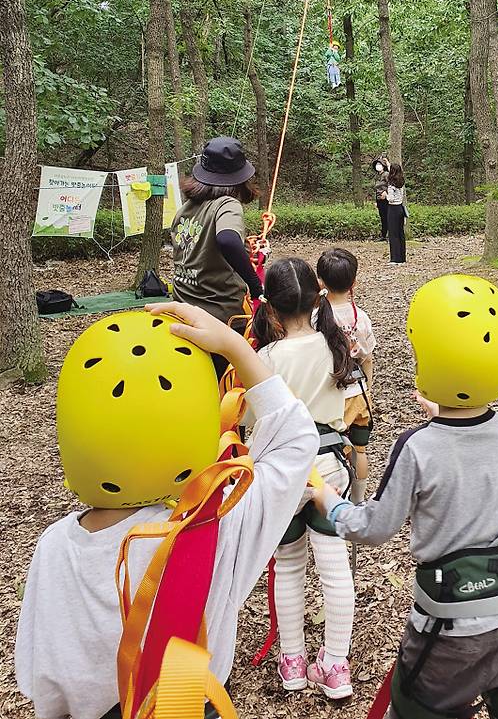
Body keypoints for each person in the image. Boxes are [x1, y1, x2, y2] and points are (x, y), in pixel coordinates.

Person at [15, 304, 318, 719]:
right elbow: (295, 438)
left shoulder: (52, 550)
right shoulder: (215, 533)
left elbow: (43, 688)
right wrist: (234, 347)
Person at [310, 274, 498, 719]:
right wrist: (447, 413)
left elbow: (376, 527)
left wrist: (331, 502)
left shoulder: (417, 447)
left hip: (447, 633)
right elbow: (467, 441)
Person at [252, 257, 355, 700]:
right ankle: (335, 664)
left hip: (281, 473)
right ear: (317, 300)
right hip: (329, 468)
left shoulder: (264, 358)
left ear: (270, 309)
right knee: (334, 567)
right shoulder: (335, 346)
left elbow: (255, 419)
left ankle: (292, 660)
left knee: (289, 566)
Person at [171, 136, 263, 378]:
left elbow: (210, 246)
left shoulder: (187, 208)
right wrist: (255, 285)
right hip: (220, 318)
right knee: (220, 387)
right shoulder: (228, 204)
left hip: (182, 310)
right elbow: (226, 239)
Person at [316, 247, 376, 504]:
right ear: (354, 282)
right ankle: (359, 501)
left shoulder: (315, 316)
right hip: (357, 393)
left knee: (334, 447)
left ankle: (334, 499)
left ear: (320, 282)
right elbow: (367, 357)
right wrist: (369, 390)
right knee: (359, 450)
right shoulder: (360, 318)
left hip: (328, 395)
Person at [387, 162, 407, 265]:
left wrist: (385, 195)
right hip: (400, 208)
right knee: (400, 233)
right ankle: (402, 257)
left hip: (393, 209)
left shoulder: (391, 185)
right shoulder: (401, 182)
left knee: (393, 234)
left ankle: (395, 258)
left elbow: (390, 199)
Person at [372, 155, 390, 240]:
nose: (378, 166)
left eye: (380, 164)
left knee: (387, 217)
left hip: (386, 199)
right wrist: (375, 201)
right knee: (382, 217)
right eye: (377, 165)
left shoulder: (386, 174)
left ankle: (388, 235)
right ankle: (383, 235)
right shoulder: (377, 176)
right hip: (379, 199)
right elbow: (375, 188)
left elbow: (391, 185)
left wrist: (386, 192)